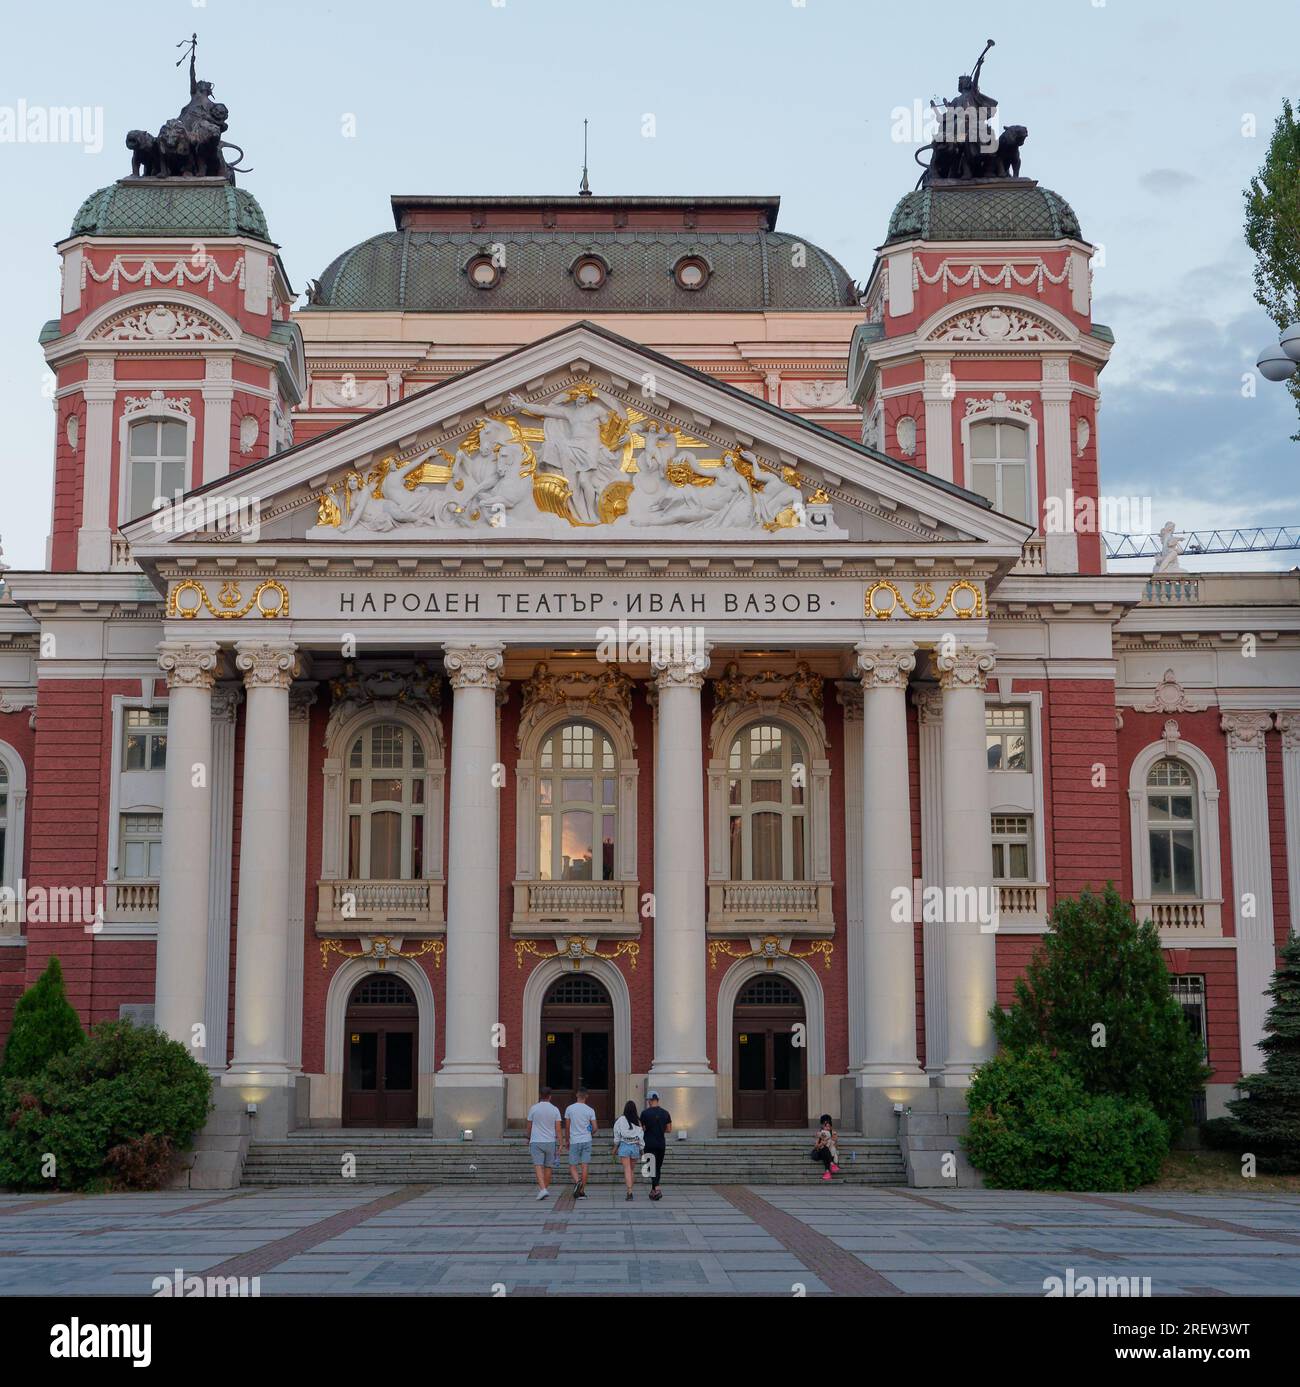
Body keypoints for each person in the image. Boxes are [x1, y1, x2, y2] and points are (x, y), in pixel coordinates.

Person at [526, 1086, 563, 1200]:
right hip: (550, 1141)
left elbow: (529, 1127)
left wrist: (528, 1137)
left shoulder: (534, 1108)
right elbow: (558, 1128)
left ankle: (543, 1189)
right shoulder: (555, 1109)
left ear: (540, 1095)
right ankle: (544, 1189)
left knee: (538, 1166)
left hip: (536, 1141)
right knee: (548, 1167)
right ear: (550, 1096)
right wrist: (561, 1143)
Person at [638, 1091, 673, 1201]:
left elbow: (641, 1129)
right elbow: (669, 1129)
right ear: (658, 1099)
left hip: (648, 1143)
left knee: (651, 1168)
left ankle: (657, 1188)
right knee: (657, 1167)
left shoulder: (644, 1113)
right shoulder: (666, 1113)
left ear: (649, 1101)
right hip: (661, 1143)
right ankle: (654, 1191)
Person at [564, 1087, 598, 1199]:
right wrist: (590, 1134)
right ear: (586, 1096)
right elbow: (595, 1127)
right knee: (585, 1166)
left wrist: (567, 1140)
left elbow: (567, 1127)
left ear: (577, 1095)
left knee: (572, 1165)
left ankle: (577, 1181)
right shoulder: (590, 1110)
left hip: (574, 1140)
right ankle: (582, 1191)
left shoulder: (569, 1109)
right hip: (586, 1140)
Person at [611, 1100, 644, 1201]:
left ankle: (629, 1191)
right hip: (635, 1146)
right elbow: (641, 1137)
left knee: (627, 1169)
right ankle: (630, 1190)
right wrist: (642, 1149)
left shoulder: (620, 1120)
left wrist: (615, 1148)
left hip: (624, 1145)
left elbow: (616, 1135)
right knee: (632, 1170)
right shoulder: (638, 1121)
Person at [810, 1114, 840, 1181]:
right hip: (818, 1153)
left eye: (828, 1125)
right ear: (822, 1125)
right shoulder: (820, 1133)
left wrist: (833, 1141)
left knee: (826, 1151)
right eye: (825, 1125)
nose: (826, 1127)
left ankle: (827, 1172)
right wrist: (821, 1143)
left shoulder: (833, 1133)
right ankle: (831, 1164)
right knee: (824, 1148)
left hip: (828, 1154)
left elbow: (836, 1147)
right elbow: (816, 1147)